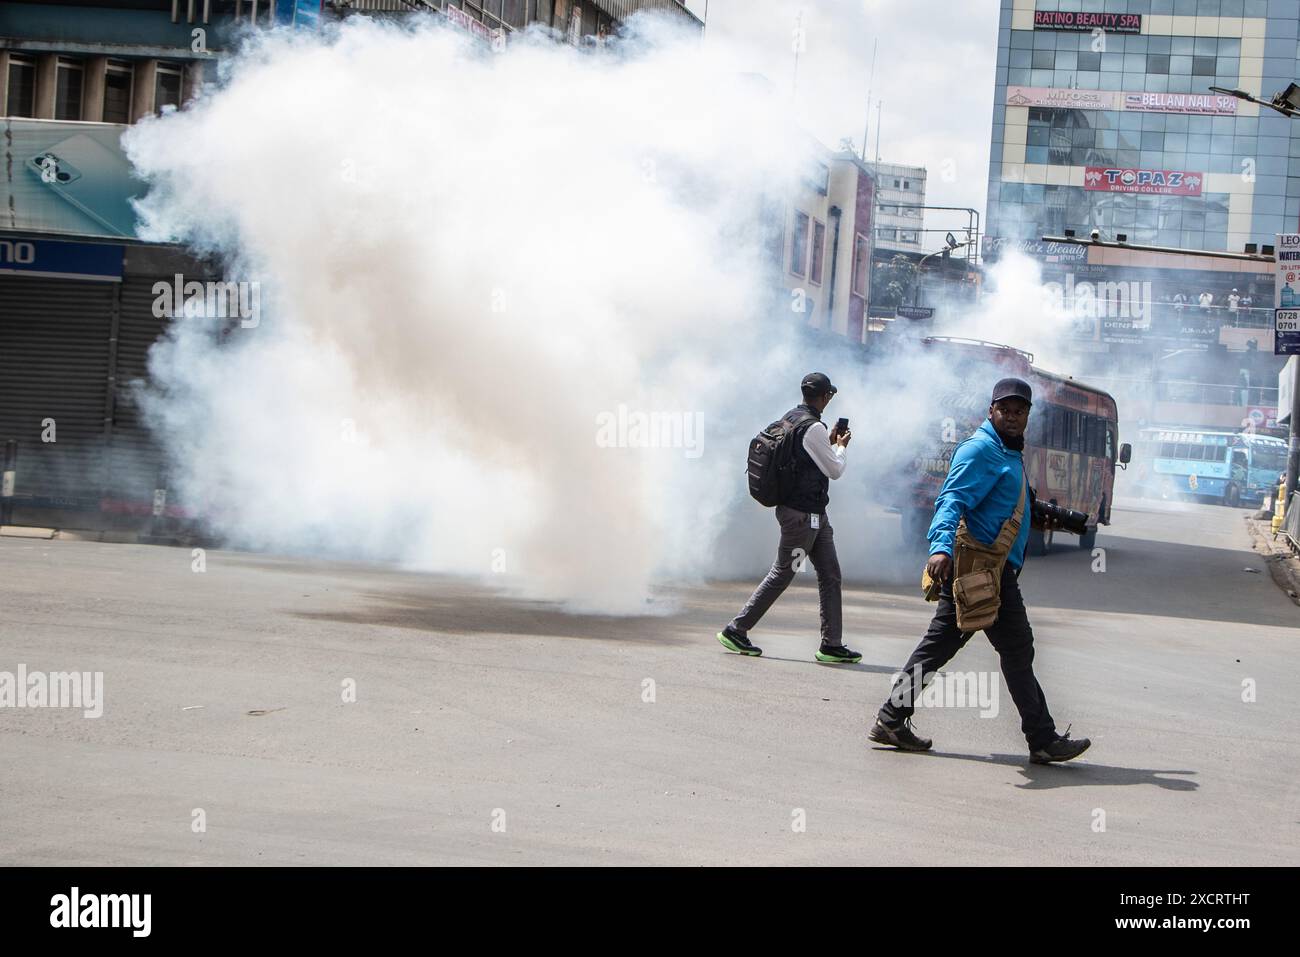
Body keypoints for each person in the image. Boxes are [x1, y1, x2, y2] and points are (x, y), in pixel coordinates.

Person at [868, 378, 1091, 764]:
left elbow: (1006, 506)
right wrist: (939, 548)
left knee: (980, 648)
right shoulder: (981, 450)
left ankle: (892, 718)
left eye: (1019, 410)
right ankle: (1042, 738)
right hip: (979, 570)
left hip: (994, 570)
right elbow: (950, 500)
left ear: (1027, 415)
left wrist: (1049, 519)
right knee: (1001, 648)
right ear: (991, 411)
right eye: (1004, 409)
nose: (1011, 416)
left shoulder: (1008, 453)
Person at [717, 373, 862, 663]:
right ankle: (737, 629)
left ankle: (831, 644)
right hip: (802, 519)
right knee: (784, 572)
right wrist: (841, 445)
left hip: (814, 517)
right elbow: (835, 469)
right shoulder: (815, 428)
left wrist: (828, 442)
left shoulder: (793, 418)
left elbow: (806, 456)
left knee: (831, 575)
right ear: (826, 397)